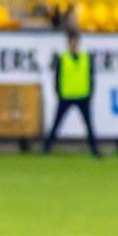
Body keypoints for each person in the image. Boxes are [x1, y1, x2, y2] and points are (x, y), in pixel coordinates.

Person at [43, 29, 100, 157]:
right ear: (68, 43)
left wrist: (90, 93)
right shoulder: (62, 57)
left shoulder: (86, 57)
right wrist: (58, 92)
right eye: (71, 42)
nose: (73, 44)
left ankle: (95, 150)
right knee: (56, 124)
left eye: (75, 41)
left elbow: (91, 77)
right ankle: (46, 148)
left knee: (89, 126)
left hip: (82, 95)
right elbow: (57, 77)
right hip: (66, 96)